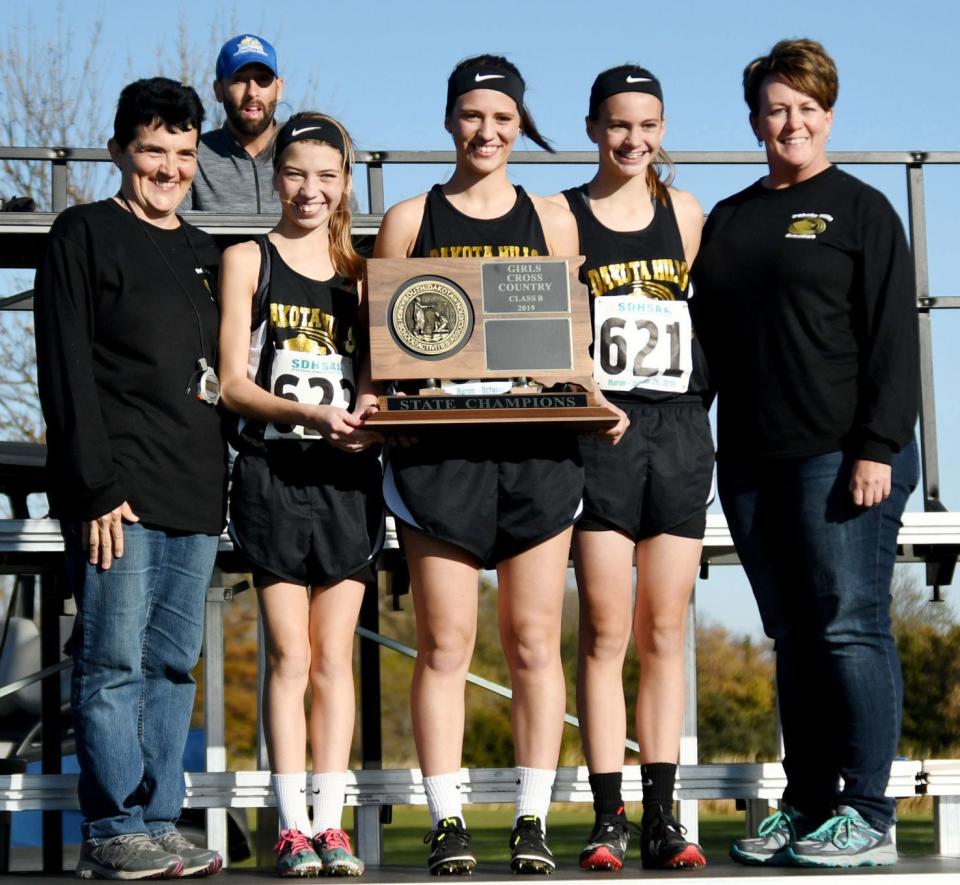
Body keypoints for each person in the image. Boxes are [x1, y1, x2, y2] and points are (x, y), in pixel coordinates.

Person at [690, 38, 919, 869]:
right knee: (791, 634)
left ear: (829, 114)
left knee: (848, 627)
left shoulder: (861, 210)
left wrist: (877, 447)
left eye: (807, 106)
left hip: (844, 454)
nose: (792, 121)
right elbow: (705, 344)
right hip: (751, 458)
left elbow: (895, 339)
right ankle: (810, 799)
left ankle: (867, 809)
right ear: (755, 119)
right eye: (777, 107)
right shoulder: (732, 218)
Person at [374, 54, 581, 875]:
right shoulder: (406, 217)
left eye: (502, 117)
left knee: (533, 640)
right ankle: (447, 819)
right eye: (472, 115)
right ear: (449, 121)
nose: (486, 131)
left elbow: (576, 347)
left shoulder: (554, 219)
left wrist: (583, 392)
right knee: (444, 643)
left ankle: (532, 817)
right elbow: (382, 353)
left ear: (520, 124)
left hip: (533, 455)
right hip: (442, 457)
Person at [34, 77, 227, 880]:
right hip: (118, 493)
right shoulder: (82, 233)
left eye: (183, 154)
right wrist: (95, 486)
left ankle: (156, 819)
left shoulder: (206, 251)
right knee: (111, 663)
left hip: (194, 492)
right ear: (120, 151)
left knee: (172, 667)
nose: (169, 167)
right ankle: (112, 827)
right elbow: (65, 370)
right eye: (153, 150)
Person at [546, 65, 712, 872]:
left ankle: (662, 811)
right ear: (592, 129)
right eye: (618, 125)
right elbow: (546, 326)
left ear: (664, 128)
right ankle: (609, 813)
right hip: (603, 434)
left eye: (647, 125)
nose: (633, 140)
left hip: (679, 431)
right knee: (607, 630)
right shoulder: (565, 216)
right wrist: (583, 389)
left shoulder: (685, 214)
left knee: (664, 630)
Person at [218, 112, 382, 878]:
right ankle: (290, 825)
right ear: (275, 177)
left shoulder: (365, 274)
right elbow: (232, 383)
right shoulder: (248, 259)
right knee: (289, 652)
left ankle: (331, 820)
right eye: (296, 173)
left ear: (345, 183)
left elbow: (381, 382)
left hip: (346, 482)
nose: (310, 189)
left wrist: (368, 418)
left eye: (326, 175)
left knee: (332, 660)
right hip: (273, 477)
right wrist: (308, 414)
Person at [190, 33, 284, 212]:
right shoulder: (193, 155)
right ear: (219, 90)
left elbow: (347, 231)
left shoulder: (307, 152)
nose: (252, 92)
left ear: (279, 88)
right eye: (239, 80)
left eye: (263, 79)